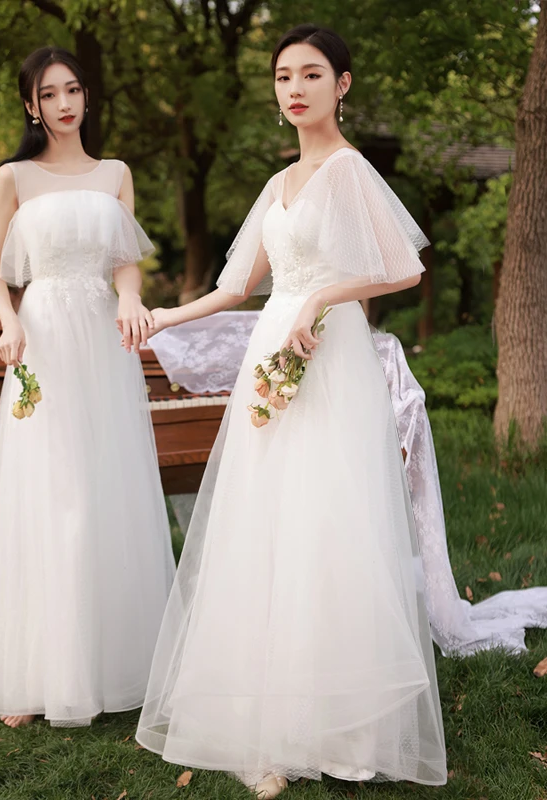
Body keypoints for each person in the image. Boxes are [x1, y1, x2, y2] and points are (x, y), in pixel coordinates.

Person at [135, 24, 447, 796]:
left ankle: (339, 719)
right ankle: (264, 719)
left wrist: (323, 297)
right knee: (265, 521)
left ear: (342, 85)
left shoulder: (349, 170)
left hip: (328, 355)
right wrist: (161, 319)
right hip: (272, 354)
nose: (295, 87)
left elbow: (403, 268)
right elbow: (237, 286)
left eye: (312, 74)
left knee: (327, 522)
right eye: (283, 76)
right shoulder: (277, 187)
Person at [0, 46, 175, 729]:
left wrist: (128, 298)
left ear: (85, 98)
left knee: (102, 488)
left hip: (102, 339)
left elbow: (125, 263)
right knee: (47, 489)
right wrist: (8, 325)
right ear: (31, 105)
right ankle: (33, 673)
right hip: (42, 338)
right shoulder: (15, 177)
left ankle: (114, 661)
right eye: (49, 94)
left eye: (73, 90)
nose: (64, 103)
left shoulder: (115, 174)